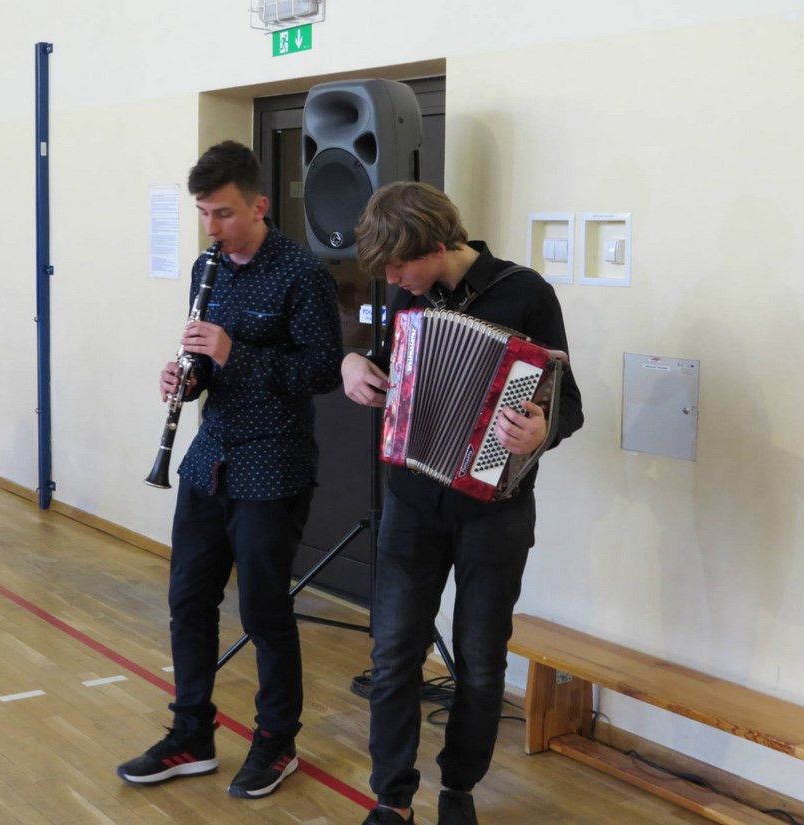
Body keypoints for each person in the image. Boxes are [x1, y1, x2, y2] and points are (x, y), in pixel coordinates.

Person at [342, 182, 584, 825]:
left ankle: (459, 790)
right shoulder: (408, 297)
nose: (393, 280)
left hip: (494, 511)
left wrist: (543, 430)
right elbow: (385, 366)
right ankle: (392, 798)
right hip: (412, 503)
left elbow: (570, 403)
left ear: (437, 246)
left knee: (479, 663)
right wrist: (353, 364)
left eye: (400, 266)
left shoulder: (526, 293)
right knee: (393, 656)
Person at [118, 141, 343, 799]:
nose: (211, 227)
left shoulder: (302, 273)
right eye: (203, 213)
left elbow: (322, 371)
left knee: (263, 610)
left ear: (258, 205)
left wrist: (233, 352)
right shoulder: (206, 267)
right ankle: (191, 733)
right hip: (209, 456)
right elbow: (207, 365)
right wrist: (187, 378)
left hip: (273, 462)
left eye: (223, 213)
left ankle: (277, 740)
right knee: (188, 601)